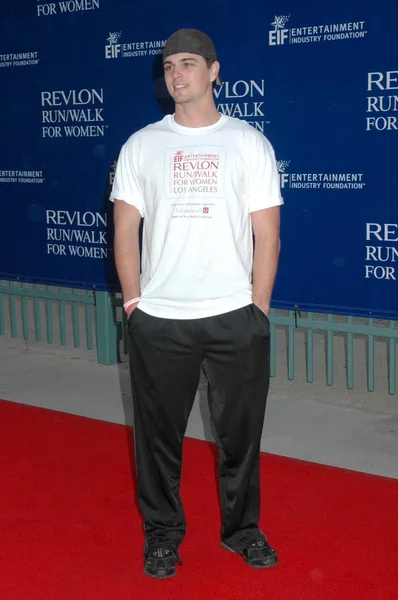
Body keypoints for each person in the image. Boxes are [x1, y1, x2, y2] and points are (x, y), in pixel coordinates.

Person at [110, 28, 283, 579]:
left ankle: (243, 531)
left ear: (214, 71)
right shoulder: (141, 145)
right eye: (168, 67)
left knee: (241, 438)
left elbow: (268, 234)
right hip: (160, 319)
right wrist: (134, 302)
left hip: (235, 316)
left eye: (188, 63)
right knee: (157, 441)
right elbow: (124, 229)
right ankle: (161, 536)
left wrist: (257, 308)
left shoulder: (248, 143)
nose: (176, 74)